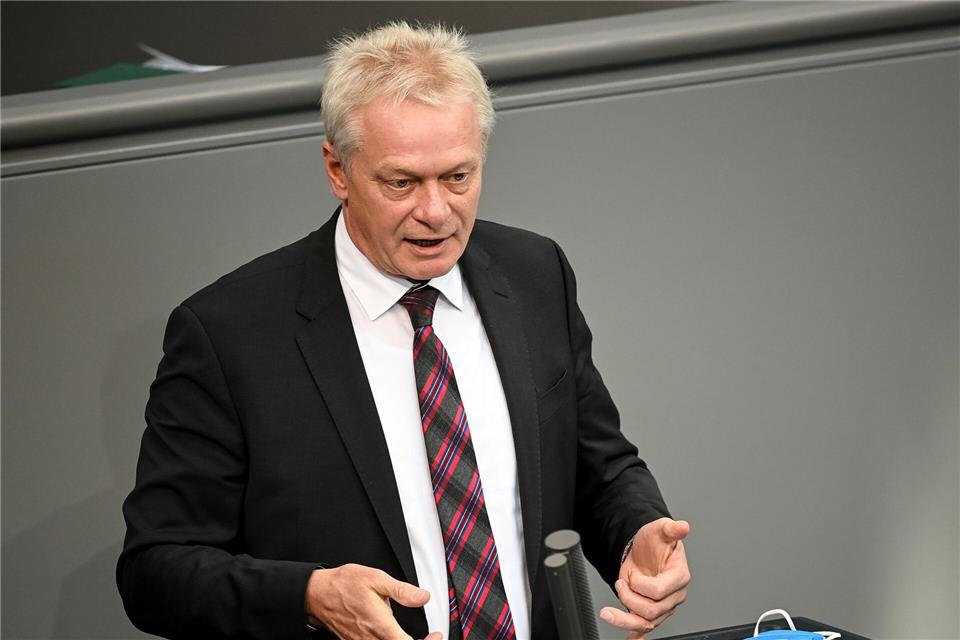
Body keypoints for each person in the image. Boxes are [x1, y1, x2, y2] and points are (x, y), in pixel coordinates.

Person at [118, 22, 690, 640]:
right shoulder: (229, 334)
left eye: (458, 177)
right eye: (402, 183)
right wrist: (310, 595)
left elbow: (598, 467)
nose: (437, 212)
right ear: (338, 169)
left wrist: (635, 530)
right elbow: (156, 570)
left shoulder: (534, 276)